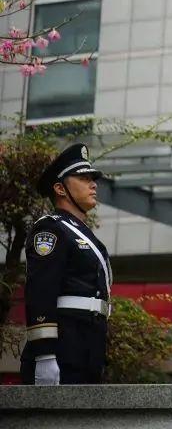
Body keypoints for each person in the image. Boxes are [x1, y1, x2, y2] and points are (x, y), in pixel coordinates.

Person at [21, 143, 112, 385]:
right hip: (62, 351)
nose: (93, 184)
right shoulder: (51, 228)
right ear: (60, 188)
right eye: (83, 178)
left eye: (93, 178)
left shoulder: (80, 232)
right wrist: (45, 355)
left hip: (87, 348)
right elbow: (41, 291)